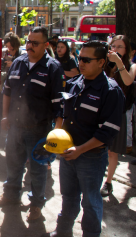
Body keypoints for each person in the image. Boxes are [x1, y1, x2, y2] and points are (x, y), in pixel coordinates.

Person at [43, 41, 125, 237]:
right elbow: (62, 114)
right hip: (68, 155)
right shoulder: (73, 84)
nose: (81, 63)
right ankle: (63, 231)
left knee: (90, 201)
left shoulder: (111, 91)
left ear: (101, 62)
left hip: (91, 158)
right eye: (80, 58)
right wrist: (56, 139)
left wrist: (80, 150)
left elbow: (107, 132)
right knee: (68, 197)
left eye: (87, 60)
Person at [0, 27, 65, 222]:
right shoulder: (18, 63)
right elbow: (7, 91)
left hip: (39, 130)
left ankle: (36, 206)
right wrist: (5, 116)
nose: (30, 46)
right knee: (13, 164)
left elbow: (59, 105)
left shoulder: (53, 68)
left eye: (35, 43)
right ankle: (11, 195)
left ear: (46, 45)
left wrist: (56, 134)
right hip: (15, 127)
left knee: (38, 170)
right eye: (28, 41)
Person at [100, 35, 136, 197]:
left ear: (127, 49)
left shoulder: (132, 66)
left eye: (119, 46)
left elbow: (128, 82)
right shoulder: (106, 65)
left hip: (118, 113)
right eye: (113, 46)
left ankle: (108, 182)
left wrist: (119, 62)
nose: (115, 49)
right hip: (102, 111)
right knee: (99, 148)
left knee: (112, 152)